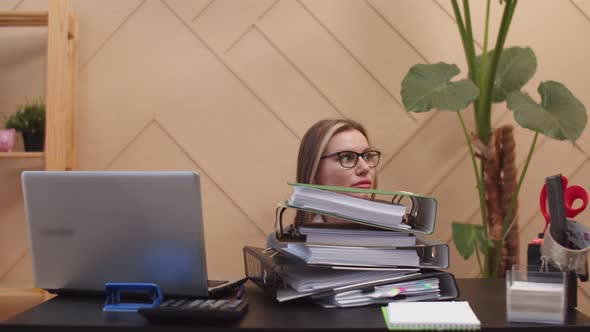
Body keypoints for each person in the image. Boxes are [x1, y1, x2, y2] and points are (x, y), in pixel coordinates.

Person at [295, 119, 381, 224]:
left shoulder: (400, 238)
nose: (365, 168)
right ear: (314, 173)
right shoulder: (284, 240)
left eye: (367, 156)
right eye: (347, 158)